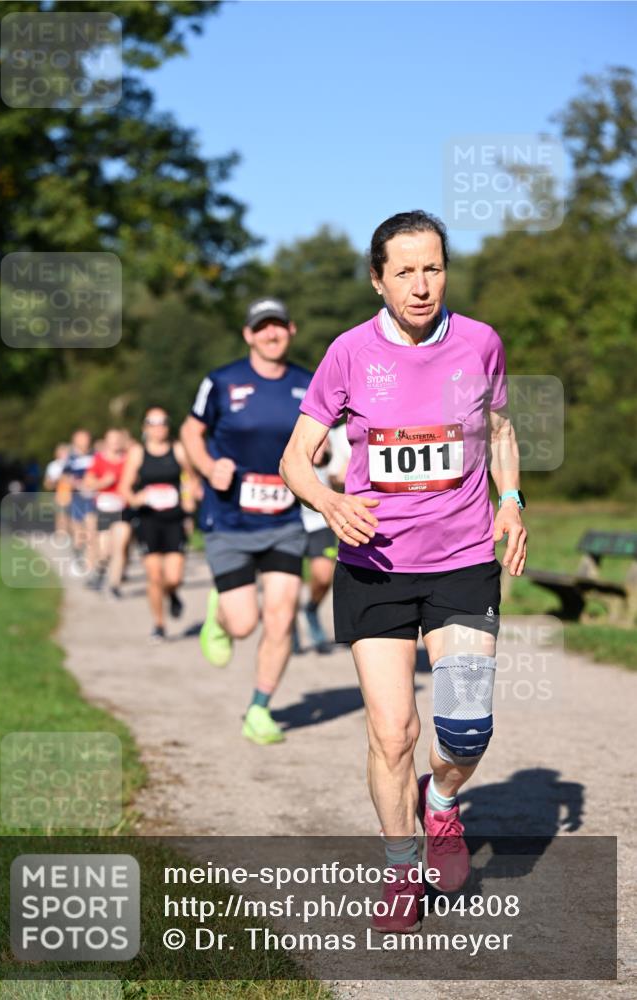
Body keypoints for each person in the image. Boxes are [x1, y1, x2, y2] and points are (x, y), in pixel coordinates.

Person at [280, 211, 527, 930]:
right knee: (390, 732)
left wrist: (508, 501)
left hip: (461, 562)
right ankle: (398, 870)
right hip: (374, 568)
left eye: (433, 268)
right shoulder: (349, 353)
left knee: (465, 732)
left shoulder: (479, 341)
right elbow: (295, 458)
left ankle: (442, 800)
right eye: (404, 272)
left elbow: (501, 431)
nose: (421, 286)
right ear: (377, 279)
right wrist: (327, 500)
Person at [182, 297, 312, 745]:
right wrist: (205, 465)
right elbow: (190, 432)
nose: (270, 334)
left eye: (278, 326)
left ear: (290, 330)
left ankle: (259, 708)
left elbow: (319, 438)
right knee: (244, 624)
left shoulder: (307, 383)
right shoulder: (221, 381)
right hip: (230, 519)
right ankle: (220, 616)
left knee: (281, 616)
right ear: (248, 334)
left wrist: (323, 453)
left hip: (283, 518)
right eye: (262, 327)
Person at [119, 407, 199, 642]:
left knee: (174, 577)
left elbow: (192, 479)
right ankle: (159, 624)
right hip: (148, 519)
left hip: (174, 519)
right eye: (152, 423)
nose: (158, 427)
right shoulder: (137, 453)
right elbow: (125, 486)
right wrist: (135, 499)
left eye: (163, 422)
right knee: (154, 576)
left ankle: (172, 594)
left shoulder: (178, 449)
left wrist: (189, 498)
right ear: (145, 427)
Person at [293, 422, 351, 655]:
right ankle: (289, 629)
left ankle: (311, 609)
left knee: (323, 576)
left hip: (320, 523)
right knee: (288, 584)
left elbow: (339, 478)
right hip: (291, 524)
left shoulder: (335, 442)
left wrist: (340, 474)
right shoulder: (291, 443)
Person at [83, 429, 130, 593]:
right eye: (112, 439)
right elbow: (88, 482)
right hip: (104, 508)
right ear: (106, 441)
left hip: (123, 509)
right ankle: (99, 571)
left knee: (120, 547)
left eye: (118, 439)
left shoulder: (128, 460)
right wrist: (104, 482)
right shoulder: (99, 460)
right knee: (105, 551)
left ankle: (115, 585)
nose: (115, 442)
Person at [61, 429, 96, 576]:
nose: (83, 441)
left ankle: (91, 566)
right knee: (79, 535)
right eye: (80, 438)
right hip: (77, 499)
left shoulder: (95, 455)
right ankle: (78, 556)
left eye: (85, 438)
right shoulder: (71, 458)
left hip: (92, 498)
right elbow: (65, 476)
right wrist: (76, 483)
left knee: (91, 531)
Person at [44, 443, 71, 537]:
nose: (63, 454)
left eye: (65, 452)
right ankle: (61, 535)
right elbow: (48, 483)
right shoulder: (53, 465)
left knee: (73, 516)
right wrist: (56, 481)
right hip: (60, 492)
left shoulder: (72, 463)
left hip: (74, 492)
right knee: (61, 515)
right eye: (61, 452)